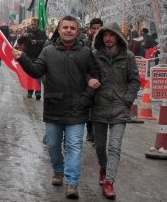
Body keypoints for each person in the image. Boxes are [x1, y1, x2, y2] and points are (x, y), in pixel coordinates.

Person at [12, 15, 100, 199]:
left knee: (74, 145)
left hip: (78, 109)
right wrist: (23, 58)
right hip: (54, 107)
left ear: (77, 31)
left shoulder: (85, 53)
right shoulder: (48, 51)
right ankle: (58, 170)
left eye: (72, 28)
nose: (68, 30)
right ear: (59, 30)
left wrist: (85, 99)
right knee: (52, 145)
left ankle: (72, 182)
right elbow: (36, 71)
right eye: (65, 27)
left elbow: (94, 77)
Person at [90, 22, 140, 199]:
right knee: (100, 145)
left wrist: (128, 99)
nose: (108, 38)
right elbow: (87, 75)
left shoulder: (129, 57)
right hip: (99, 107)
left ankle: (109, 181)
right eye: (105, 35)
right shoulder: (95, 55)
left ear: (118, 36)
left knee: (115, 146)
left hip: (120, 107)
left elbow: (135, 80)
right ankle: (103, 169)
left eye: (111, 35)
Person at [85, 17, 103, 143]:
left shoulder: (106, 41)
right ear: (90, 29)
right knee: (88, 107)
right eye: (94, 28)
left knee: (99, 108)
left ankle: (97, 134)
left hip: (102, 79)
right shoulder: (85, 43)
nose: (96, 31)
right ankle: (90, 131)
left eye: (99, 28)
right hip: (88, 80)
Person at [19, 17, 47, 100]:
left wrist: (37, 42)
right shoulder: (27, 32)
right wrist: (23, 36)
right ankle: (30, 91)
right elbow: (19, 41)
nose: (33, 26)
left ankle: (38, 92)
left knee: (38, 75)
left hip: (39, 57)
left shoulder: (41, 33)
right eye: (32, 24)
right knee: (29, 75)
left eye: (34, 24)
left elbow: (46, 42)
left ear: (38, 25)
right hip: (28, 56)